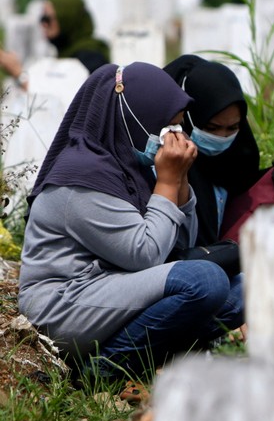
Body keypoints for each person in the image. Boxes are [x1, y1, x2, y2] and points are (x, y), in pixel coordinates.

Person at [18, 62, 244, 383]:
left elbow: (180, 247)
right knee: (204, 280)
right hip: (63, 303)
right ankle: (103, 370)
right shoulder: (81, 179)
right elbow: (146, 254)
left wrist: (179, 185)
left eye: (179, 128)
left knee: (242, 289)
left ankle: (152, 359)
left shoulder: (128, 165)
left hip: (111, 286)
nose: (174, 138)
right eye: (168, 127)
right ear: (135, 119)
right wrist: (166, 182)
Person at [162, 54, 264, 248]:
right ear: (188, 118)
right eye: (211, 128)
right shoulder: (169, 159)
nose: (222, 137)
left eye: (232, 128)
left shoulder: (239, 160)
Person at [0, 0, 110, 87]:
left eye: (47, 19)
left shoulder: (91, 59)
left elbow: (63, 98)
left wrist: (18, 73)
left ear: (67, 20)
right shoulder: (65, 54)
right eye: (41, 18)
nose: (43, 24)